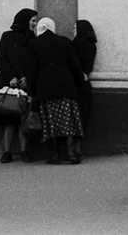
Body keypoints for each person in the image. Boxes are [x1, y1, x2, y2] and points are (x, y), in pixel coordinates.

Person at [25, 17, 85, 164]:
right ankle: (71, 154)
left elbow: (31, 71)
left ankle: (54, 155)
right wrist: (79, 83)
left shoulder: (33, 44)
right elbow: (75, 65)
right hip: (66, 87)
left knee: (49, 123)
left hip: (45, 89)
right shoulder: (64, 42)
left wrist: (31, 92)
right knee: (68, 121)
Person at [0, 7, 37, 163]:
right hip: (8, 84)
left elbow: (34, 62)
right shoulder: (7, 37)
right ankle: (7, 152)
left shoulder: (33, 39)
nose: (34, 24)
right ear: (24, 20)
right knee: (9, 118)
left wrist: (27, 78)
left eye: (36, 21)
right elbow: (1, 59)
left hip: (25, 84)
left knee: (23, 119)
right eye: (33, 20)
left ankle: (24, 151)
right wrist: (11, 76)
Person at [72, 19, 98, 131]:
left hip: (76, 82)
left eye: (74, 28)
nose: (72, 31)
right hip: (85, 83)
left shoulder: (78, 43)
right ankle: (77, 145)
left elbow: (73, 61)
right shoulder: (92, 45)